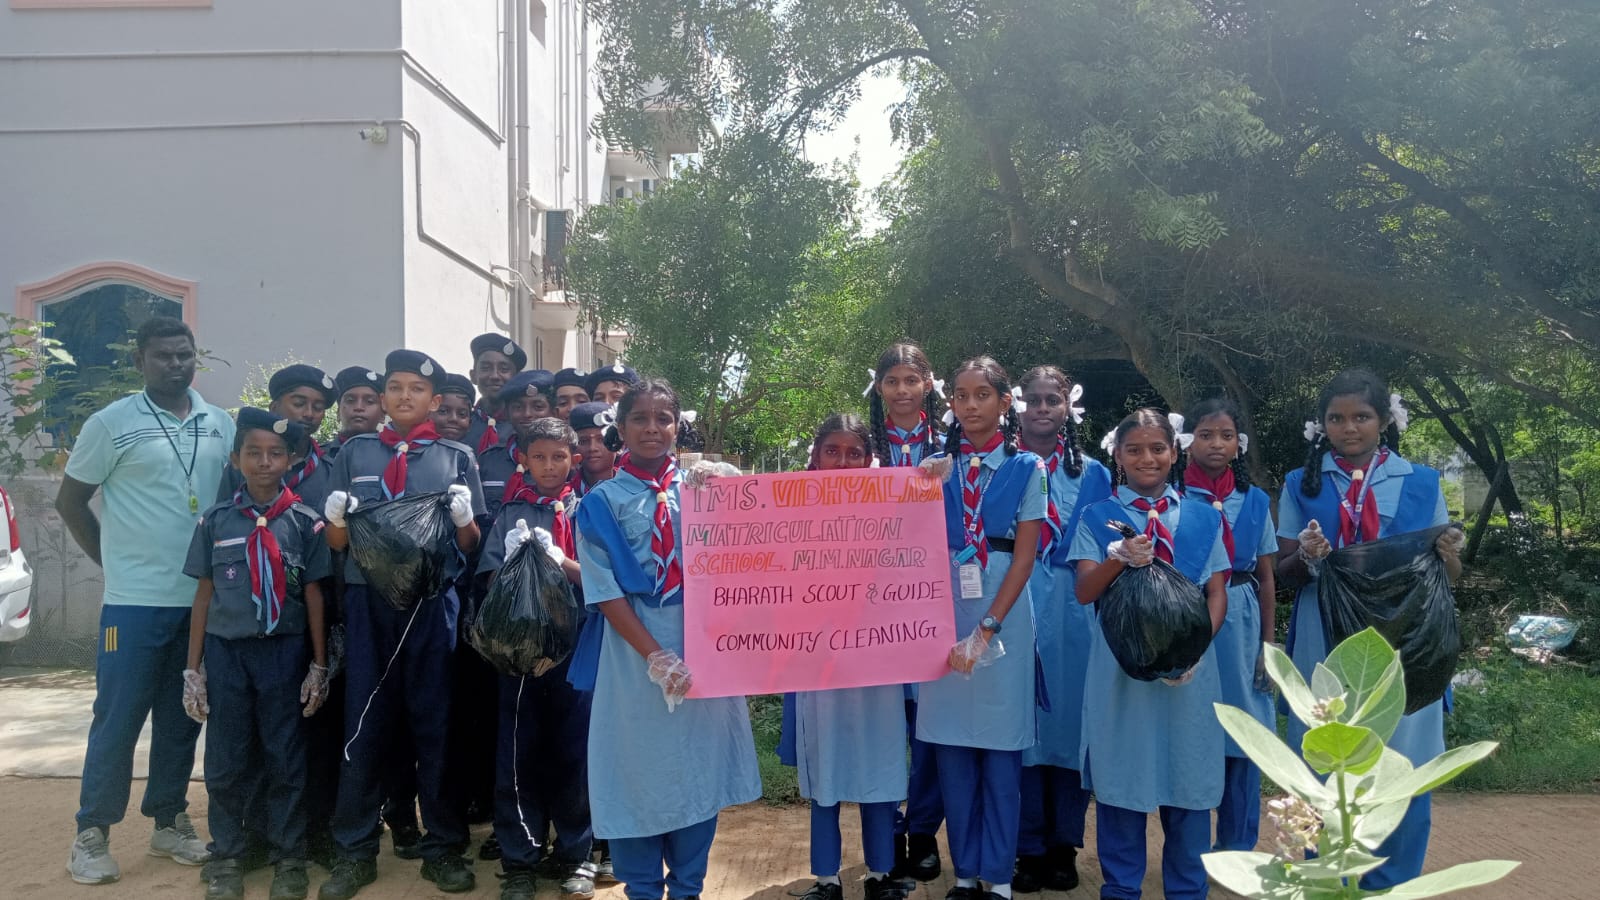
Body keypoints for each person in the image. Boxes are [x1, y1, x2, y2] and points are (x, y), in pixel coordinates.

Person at [56, 316, 234, 885]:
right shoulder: (111, 424)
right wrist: (114, 565)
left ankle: (168, 820)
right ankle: (91, 833)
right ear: (140, 361)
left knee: (183, 716)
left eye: (184, 355)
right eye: (163, 355)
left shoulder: (220, 423)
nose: (176, 364)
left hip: (200, 604)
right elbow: (70, 502)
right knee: (119, 717)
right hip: (132, 607)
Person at [1275, 369, 1463, 889]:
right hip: (1324, 633)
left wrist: (1449, 555)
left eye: (1361, 416)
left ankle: (1392, 883)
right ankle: (1324, 881)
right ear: (1323, 425)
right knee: (1325, 748)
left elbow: (1448, 574)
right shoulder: (1300, 483)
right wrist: (1306, 557)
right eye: (1336, 418)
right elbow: (1284, 571)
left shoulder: (1422, 481)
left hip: (1406, 637)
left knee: (1404, 754)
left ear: (1384, 421)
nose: (1349, 428)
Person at [574, 378, 761, 900]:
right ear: (620, 427)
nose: (652, 428)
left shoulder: (703, 491)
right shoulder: (601, 503)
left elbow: (759, 552)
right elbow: (605, 592)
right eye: (640, 418)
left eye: (664, 418)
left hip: (705, 649)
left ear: (678, 427)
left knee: (699, 767)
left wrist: (738, 496)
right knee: (636, 769)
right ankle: (640, 887)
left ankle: (687, 887)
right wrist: (656, 657)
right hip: (634, 657)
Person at [317, 349, 485, 898]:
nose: (405, 396)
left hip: (431, 605)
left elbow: (471, 545)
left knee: (436, 725)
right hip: (370, 604)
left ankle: (444, 847)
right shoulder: (355, 452)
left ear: (434, 401)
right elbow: (337, 543)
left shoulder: (456, 457)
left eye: (417, 389)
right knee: (365, 723)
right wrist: (335, 518)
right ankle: (355, 851)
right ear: (383, 398)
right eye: (396, 388)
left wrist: (463, 517)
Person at [1069, 409, 1229, 900]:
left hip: (1191, 672)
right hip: (1121, 667)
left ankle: (1187, 889)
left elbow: (1216, 593)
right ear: (1117, 456)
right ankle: (1121, 888)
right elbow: (1084, 591)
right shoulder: (1096, 516)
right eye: (1134, 449)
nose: (1147, 458)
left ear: (1175, 453)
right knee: (1123, 774)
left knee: (1188, 775)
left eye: (1158, 448)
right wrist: (1117, 559)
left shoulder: (1204, 515)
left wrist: (1194, 652)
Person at [182, 408, 332, 900]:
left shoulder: (306, 524)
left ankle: (289, 857)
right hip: (227, 655)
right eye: (254, 453)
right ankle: (227, 855)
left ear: (290, 460)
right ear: (236, 460)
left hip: (284, 654)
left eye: (275, 454)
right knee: (226, 759)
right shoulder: (215, 521)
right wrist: (193, 669)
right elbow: (203, 595)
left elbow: (314, 595)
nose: (265, 462)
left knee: (285, 757)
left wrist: (319, 664)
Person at [919, 357, 1044, 900]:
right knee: (952, 752)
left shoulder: (1027, 469)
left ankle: (999, 878)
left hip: (1003, 616)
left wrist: (988, 628)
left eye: (982, 395)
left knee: (1000, 753)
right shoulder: (934, 468)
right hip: (943, 612)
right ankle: (965, 873)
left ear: (1004, 402)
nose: (970, 405)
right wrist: (919, 487)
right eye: (961, 395)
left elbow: (1025, 556)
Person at [781, 415, 909, 900]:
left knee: (881, 762)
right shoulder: (789, 507)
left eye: (854, 453)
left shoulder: (893, 505)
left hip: (880, 656)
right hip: (818, 660)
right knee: (825, 767)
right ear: (815, 456)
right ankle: (827, 878)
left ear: (869, 459)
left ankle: (880, 873)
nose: (842, 461)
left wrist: (929, 481)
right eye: (832, 451)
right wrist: (709, 479)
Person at [479, 417, 597, 900]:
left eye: (559, 457)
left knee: (575, 751)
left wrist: (561, 563)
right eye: (540, 457)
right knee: (517, 753)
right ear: (523, 460)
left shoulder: (590, 510)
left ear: (575, 460)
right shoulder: (510, 513)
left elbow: (601, 579)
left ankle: (576, 853)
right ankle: (520, 859)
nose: (549, 466)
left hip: (576, 647)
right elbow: (489, 581)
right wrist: (513, 563)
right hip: (521, 651)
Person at [1011, 366, 1110, 892]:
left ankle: (1063, 846)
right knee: (1022, 727)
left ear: (1068, 406)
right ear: (1019, 405)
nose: (1043, 408)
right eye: (1034, 400)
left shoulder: (1094, 473)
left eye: (1053, 399)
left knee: (1071, 728)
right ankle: (1026, 847)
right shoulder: (1003, 465)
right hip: (1018, 599)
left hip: (1075, 610)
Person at [1178, 399, 1277, 853]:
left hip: (1241, 620)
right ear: (1186, 442)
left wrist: (1268, 647)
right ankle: (1190, 849)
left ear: (1241, 444)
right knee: (1193, 730)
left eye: (1226, 435)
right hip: (1188, 612)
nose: (1216, 444)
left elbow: (1267, 576)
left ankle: (1237, 848)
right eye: (1205, 435)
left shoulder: (1255, 501)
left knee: (1243, 731)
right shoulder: (1175, 498)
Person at [863, 342, 946, 880]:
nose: (901, 390)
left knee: (930, 724)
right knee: (885, 720)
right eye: (891, 381)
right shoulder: (861, 446)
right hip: (872, 600)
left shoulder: (952, 443)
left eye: (911, 380)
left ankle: (924, 830)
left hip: (935, 596)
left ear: (927, 384)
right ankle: (888, 830)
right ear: (879, 387)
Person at [217, 364, 339, 511]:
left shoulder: (331, 470)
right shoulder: (245, 464)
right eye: (299, 404)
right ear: (274, 408)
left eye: (318, 408)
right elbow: (222, 517)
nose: (309, 413)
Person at [465, 333, 528, 456]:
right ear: (473, 376)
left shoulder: (523, 425)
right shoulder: (461, 425)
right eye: (485, 368)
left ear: (516, 378)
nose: (494, 376)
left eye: (504, 369)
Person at [568, 401, 619, 501]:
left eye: (602, 440)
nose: (592, 448)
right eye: (583, 441)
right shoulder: (564, 496)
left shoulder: (634, 489)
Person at [328, 367, 384, 456]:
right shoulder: (317, 458)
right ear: (338, 412)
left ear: (382, 415)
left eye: (369, 401)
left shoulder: (396, 457)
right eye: (350, 400)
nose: (359, 407)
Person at [433, 373, 477, 444]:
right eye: (443, 411)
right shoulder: (414, 447)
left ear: (470, 422)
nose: (453, 419)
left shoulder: (474, 450)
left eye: (462, 414)